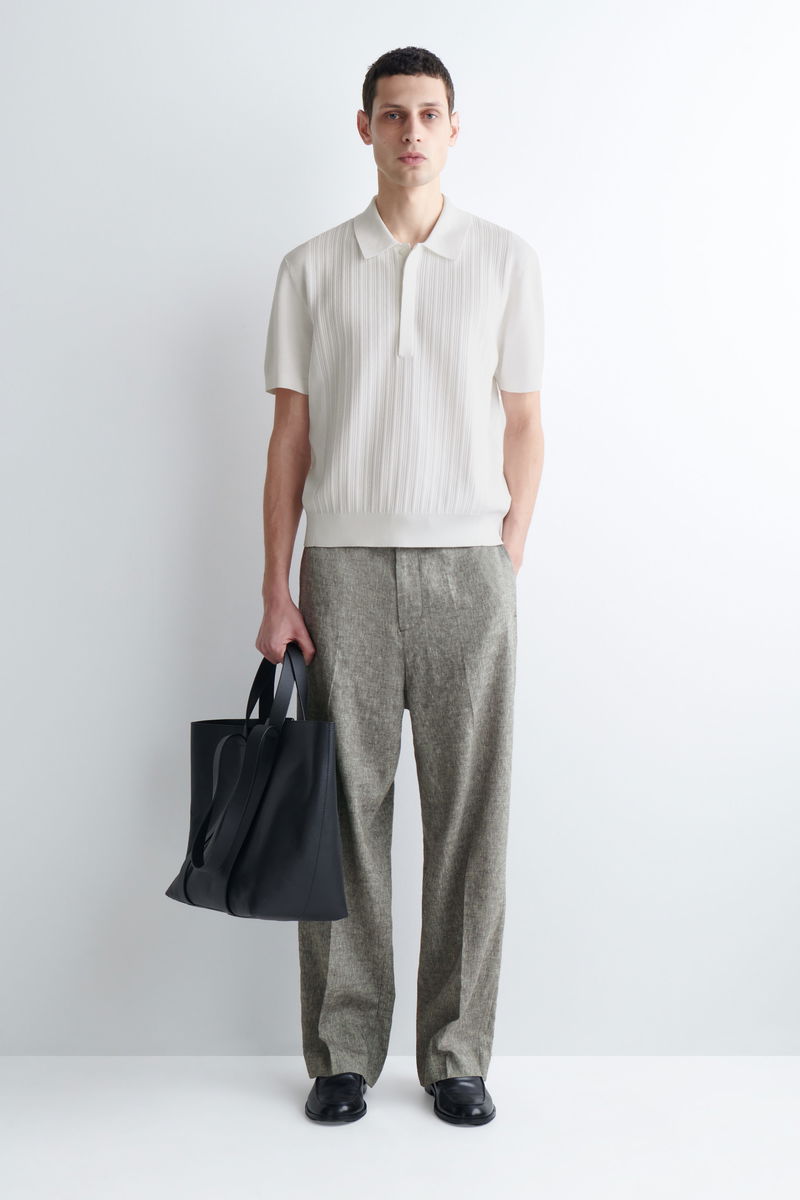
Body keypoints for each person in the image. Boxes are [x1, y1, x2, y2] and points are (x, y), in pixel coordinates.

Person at [256, 45, 545, 1126]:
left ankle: (456, 1054)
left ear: (453, 128)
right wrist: (276, 588)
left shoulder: (505, 261)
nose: (410, 132)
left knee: (472, 817)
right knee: (343, 814)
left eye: (428, 114)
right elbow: (289, 439)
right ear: (365, 127)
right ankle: (342, 1054)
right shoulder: (310, 268)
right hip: (342, 570)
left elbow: (525, 421)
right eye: (392, 114)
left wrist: (506, 555)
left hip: (471, 572)